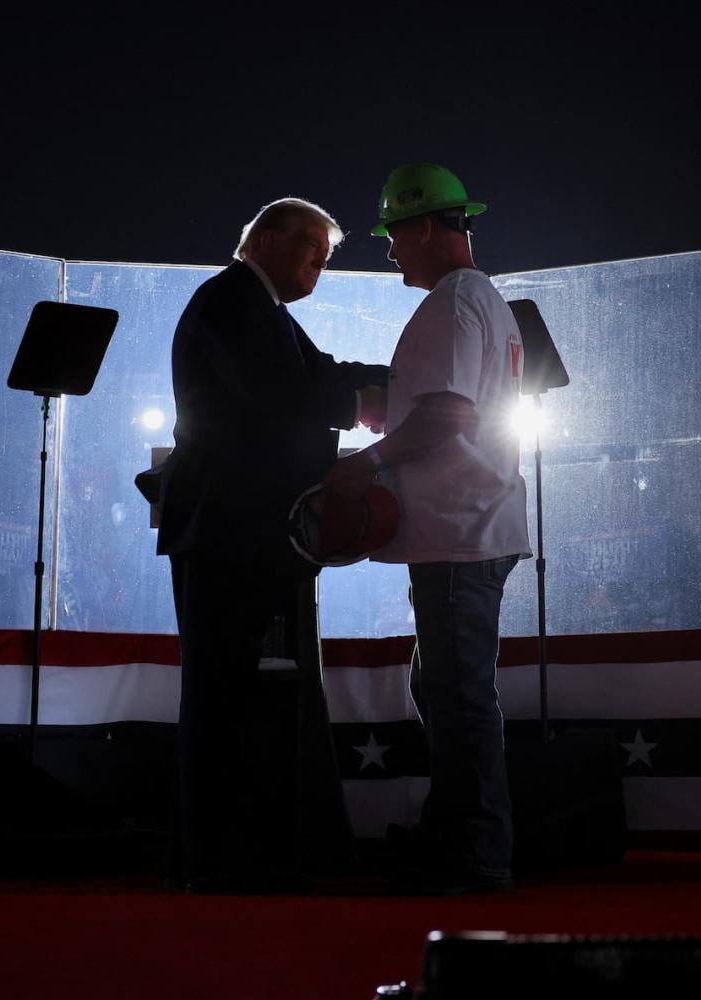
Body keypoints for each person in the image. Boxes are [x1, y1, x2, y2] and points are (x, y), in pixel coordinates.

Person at [156, 197, 388, 893]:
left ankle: (242, 851)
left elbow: (319, 374)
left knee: (244, 691)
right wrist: (369, 404)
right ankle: (214, 858)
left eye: (325, 259)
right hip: (228, 530)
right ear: (263, 239)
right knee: (222, 691)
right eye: (312, 251)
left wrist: (397, 381)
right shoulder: (230, 301)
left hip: (251, 530)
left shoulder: (265, 312)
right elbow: (280, 393)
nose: (319, 268)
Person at [324, 164, 530, 894]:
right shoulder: (483, 299)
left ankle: (474, 854)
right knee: (446, 689)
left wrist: (366, 464)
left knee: (459, 697)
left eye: (393, 233)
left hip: (457, 529)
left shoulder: (452, 303)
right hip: (472, 524)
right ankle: (455, 835)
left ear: (422, 227)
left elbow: (447, 415)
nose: (388, 249)